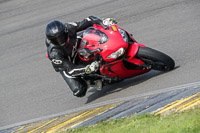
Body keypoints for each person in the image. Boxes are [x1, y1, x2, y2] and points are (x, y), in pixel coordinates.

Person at [45, 16, 105, 97]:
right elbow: (71, 70)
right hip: (66, 63)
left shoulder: (69, 27)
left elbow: (88, 21)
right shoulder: (55, 54)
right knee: (79, 90)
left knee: (92, 36)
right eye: (56, 40)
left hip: (75, 46)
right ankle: (90, 81)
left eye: (61, 37)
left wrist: (102, 22)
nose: (60, 41)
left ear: (65, 32)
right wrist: (87, 68)